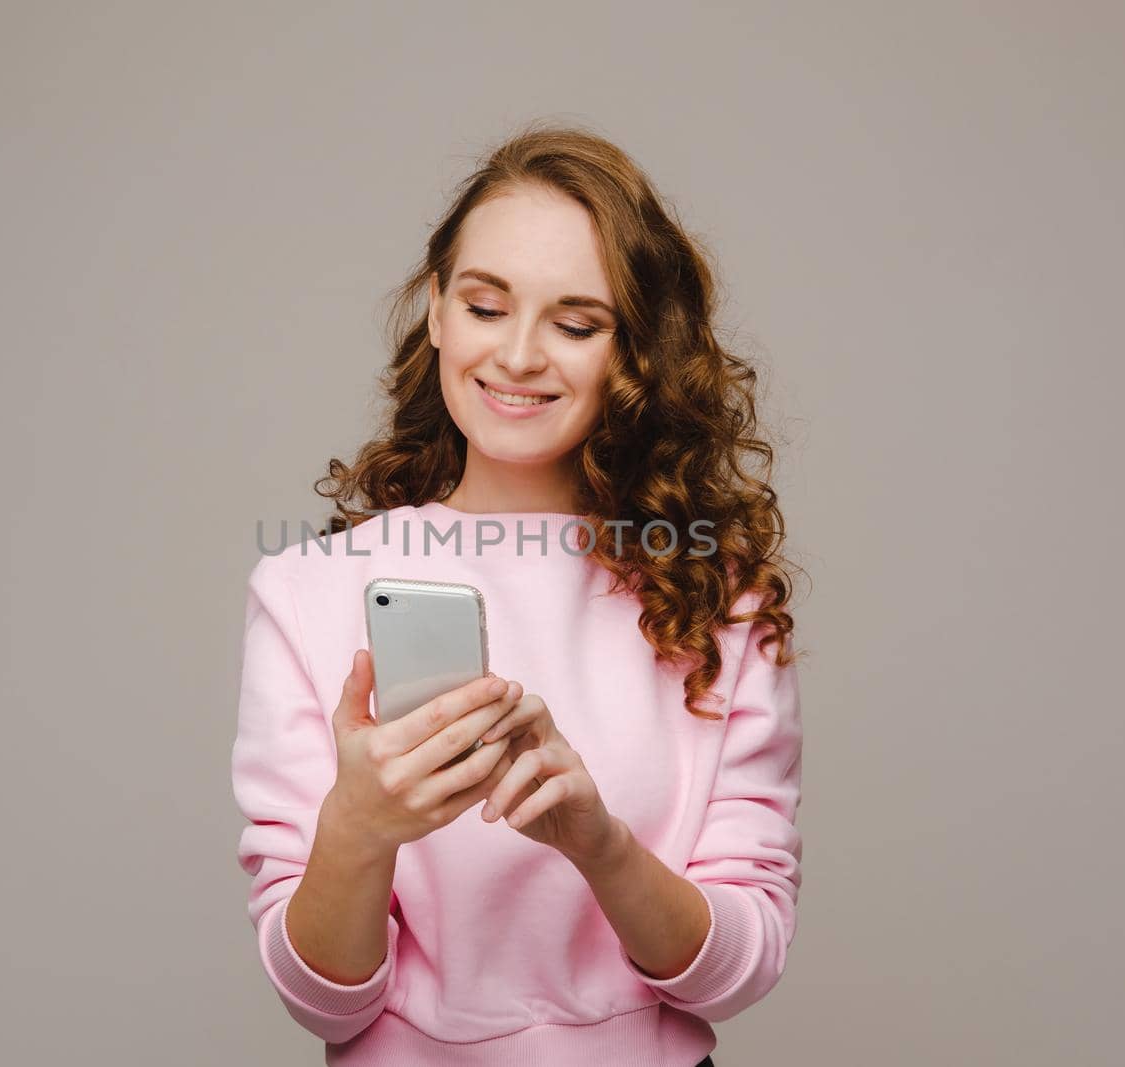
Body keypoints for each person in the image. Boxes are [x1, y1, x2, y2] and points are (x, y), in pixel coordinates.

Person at [231, 121, 804, 1066]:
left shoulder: (717, 595)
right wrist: (360, 827)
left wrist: (599, 844)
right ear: (437, 310)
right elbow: (324, 1006)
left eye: (577, 324)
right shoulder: (306, 591)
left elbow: (740, 972)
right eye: (488, 306)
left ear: (634, 351)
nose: (521, 355)